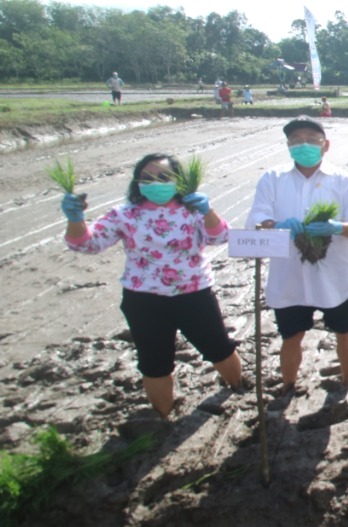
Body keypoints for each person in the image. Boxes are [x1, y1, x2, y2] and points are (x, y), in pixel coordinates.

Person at [61, 153, 244, 418]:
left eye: (164, 177)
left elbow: (221, 237)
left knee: (219, 347)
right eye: (147, 178)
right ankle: (163, 417)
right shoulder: (125, 215)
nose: (155, 182)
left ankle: (237, 386)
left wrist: (207, 211)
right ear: (137, 183)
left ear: (178, 180)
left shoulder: (192, 211)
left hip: (194, 294)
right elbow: (87, 244)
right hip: (144, 301)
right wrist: (75, 219)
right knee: (154, 364)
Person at [246, 117, 348, 394]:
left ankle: (347, 378)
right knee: (291, 336)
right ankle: (288, 384)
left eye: (311, 140)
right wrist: (276, 225)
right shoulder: (272, 179)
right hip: (288, 276)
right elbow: (256, 220)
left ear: (325, 145)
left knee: (344, 329)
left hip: (335, 276)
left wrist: (338, 227)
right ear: (288, 146)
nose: (303, 145)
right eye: (296, 140)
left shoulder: (342, 181)